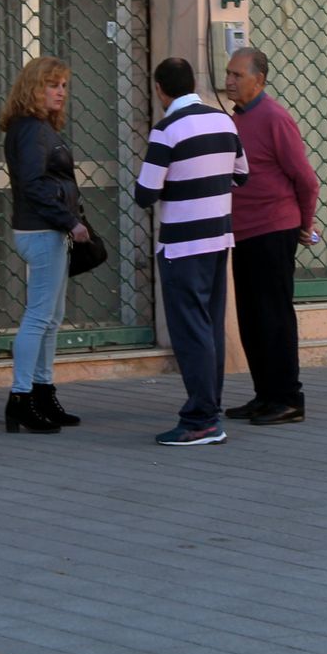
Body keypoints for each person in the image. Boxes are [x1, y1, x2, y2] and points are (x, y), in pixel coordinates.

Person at [134, 57, 248, 446]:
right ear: (193, 84)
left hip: (182, 245)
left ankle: (201, 420)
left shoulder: (166, 130)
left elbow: (145, 193)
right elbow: (242, 175)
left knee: (191, 331)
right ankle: (210, 411)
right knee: (210, 327)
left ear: (160, 89)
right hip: (219, 239)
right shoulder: (223, 121)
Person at [222, 47, 320, 426]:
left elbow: (306, 179)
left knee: (274, 316)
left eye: (237, 75)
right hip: (244, 232)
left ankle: (288, 398)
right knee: (250, 317)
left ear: (259, 80)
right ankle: (265, 395)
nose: (229, 81)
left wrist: (305, 224)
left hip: (274, 229)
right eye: (228, 74)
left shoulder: (275, 117)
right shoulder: (237, 118)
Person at [0, 56, 91, 434]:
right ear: (33, 88)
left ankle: (42, 392)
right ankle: (21, 398)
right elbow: (34, 185)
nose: (60, 92)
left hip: (44, 231)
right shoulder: (32, 130)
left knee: (51, 317)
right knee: (40, 317)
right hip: (42, 231)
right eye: (52, 85)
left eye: (64, 86)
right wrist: (70, 222)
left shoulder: (34, 127)